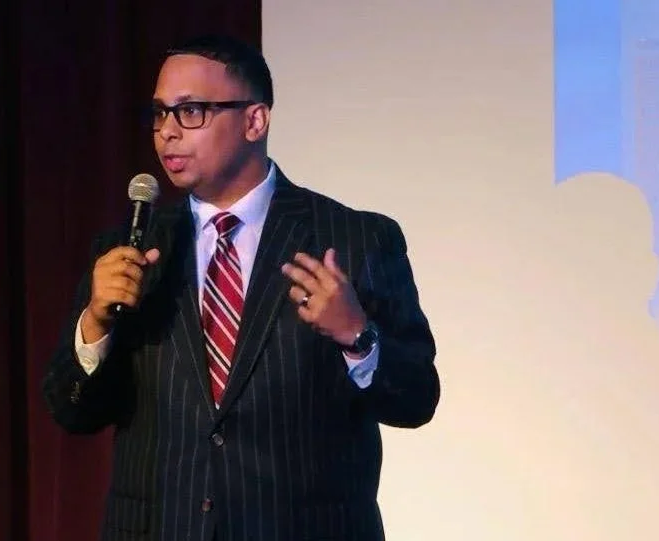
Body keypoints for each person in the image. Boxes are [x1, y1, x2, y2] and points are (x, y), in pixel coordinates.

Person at [42, 34, 440, 541]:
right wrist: (95, 323)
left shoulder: (356, 239)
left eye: (191, 112)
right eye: (160, 114)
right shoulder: (130, 247)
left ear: (255, 120)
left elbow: (416, 399)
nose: (167, 133)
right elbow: (72, 410)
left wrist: (357, 336)